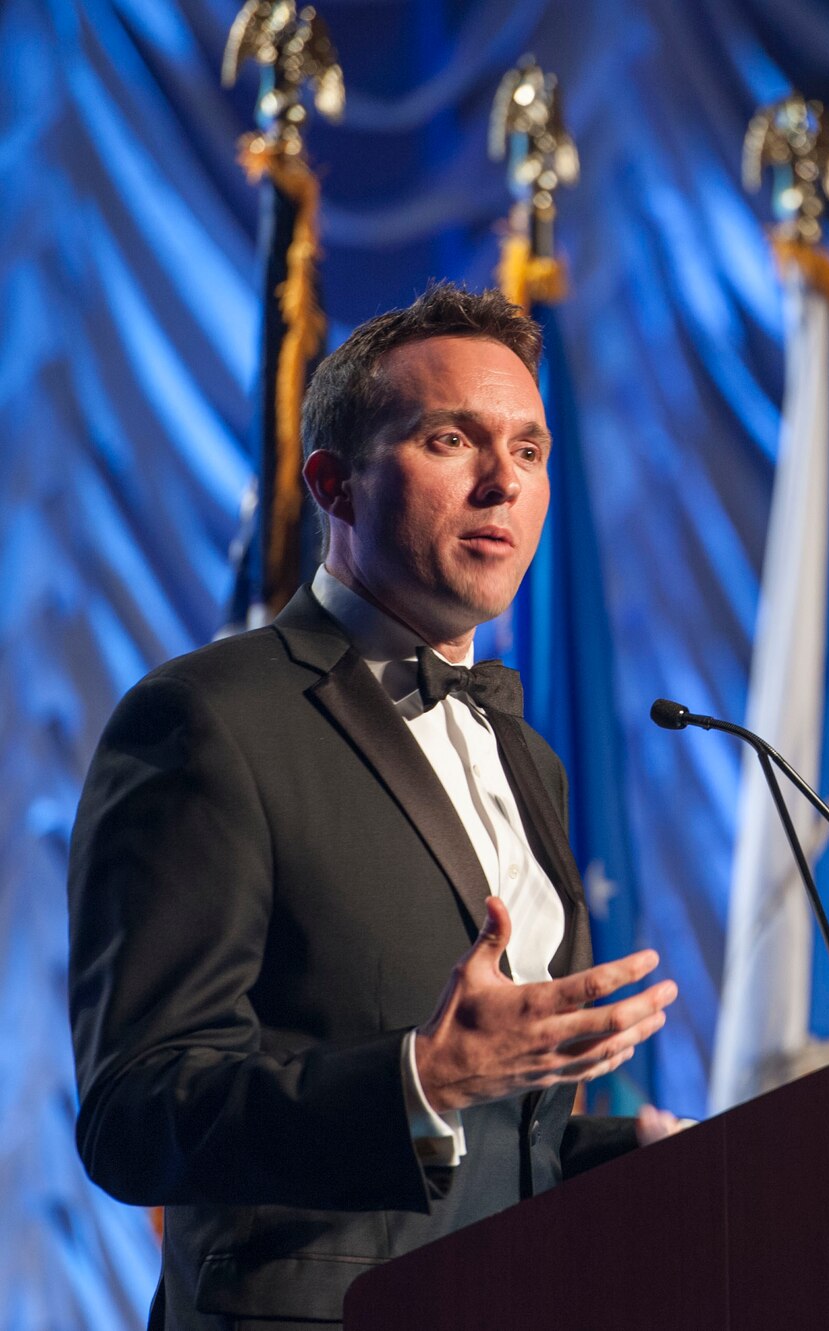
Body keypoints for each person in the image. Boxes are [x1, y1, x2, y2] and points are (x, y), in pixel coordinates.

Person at [68, 284, 684, 1329]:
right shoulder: (207, 720)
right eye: (453, 439)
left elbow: (473, 1140)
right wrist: (417, 1078)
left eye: (529, 452)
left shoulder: (524, 753)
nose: (502, 482)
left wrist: (610, 1151)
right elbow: (136, 1109)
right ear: (333, 484)